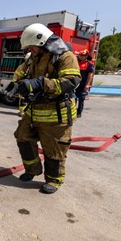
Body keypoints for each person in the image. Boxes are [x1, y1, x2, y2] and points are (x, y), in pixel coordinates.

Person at [9, 24, 81, 194]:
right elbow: (20, 73)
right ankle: (33, 170)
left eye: (31, 46)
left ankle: (54, 180)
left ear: (41, 41)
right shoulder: (33, 57)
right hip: (34, 110)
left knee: (54, 150)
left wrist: (40, 84)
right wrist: (15, 85)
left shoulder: (65, 57)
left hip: (57, 113)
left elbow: (71, 81)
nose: (30, 50)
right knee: (22, 137)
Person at [74, 49, 95, 118]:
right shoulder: (76, 62)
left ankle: (79, 112)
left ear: (86, 56)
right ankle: (73, 111)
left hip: (83, 85)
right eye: (80, 55)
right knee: (73, 98)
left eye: (82, 55)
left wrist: (87, 84)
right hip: (75, 83)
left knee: (81, 99)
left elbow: (90, 76)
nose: (81, 57)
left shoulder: (89, 65)